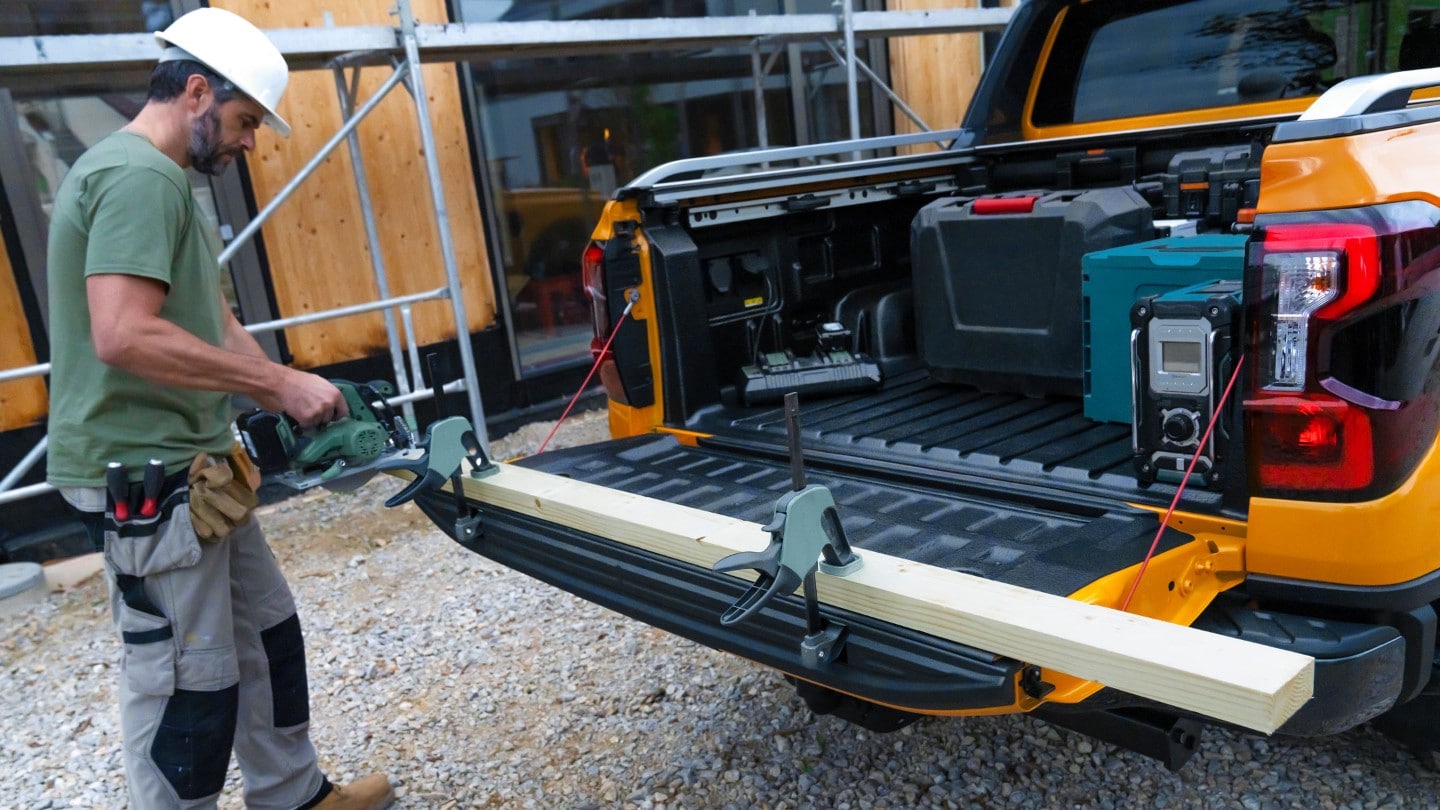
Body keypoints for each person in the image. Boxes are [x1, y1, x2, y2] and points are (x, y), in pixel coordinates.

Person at [45, 8, 393, 809]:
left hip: (196, 463)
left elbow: (214, 322)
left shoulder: (161, 178)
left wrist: (293, 392)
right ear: (196, 90)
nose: (248, 143)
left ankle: (293, 794)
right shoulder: (137, 178)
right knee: (184, 680)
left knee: (266, 636)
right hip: (146, 472)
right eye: (242, 122)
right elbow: (123, 334)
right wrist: (277, 389)